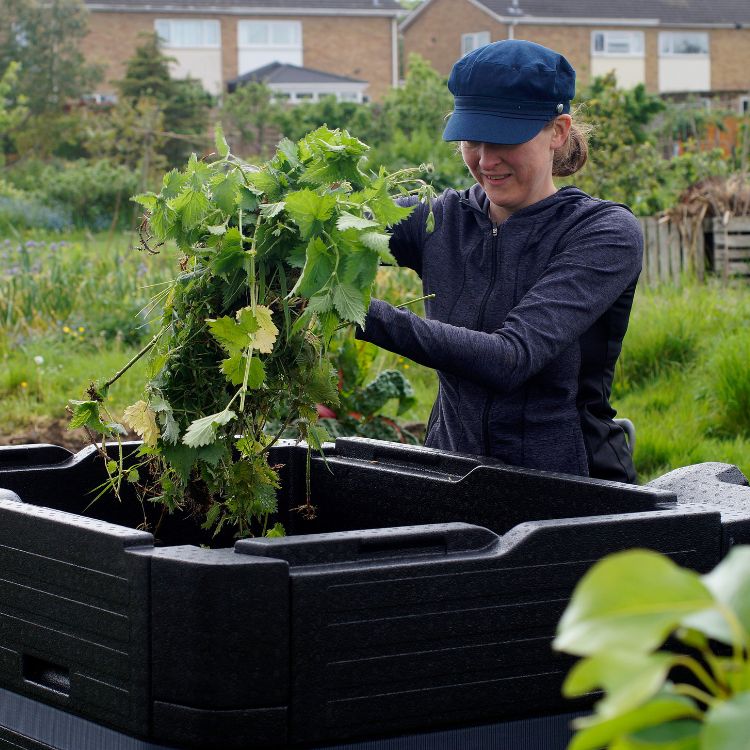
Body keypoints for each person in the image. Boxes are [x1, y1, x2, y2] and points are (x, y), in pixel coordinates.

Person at [357, 39, 642, 482]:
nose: (486, 161)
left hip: (571, 492)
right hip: (453, 478)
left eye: (506, 139)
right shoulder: (439, 218)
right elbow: (331, 226)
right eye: (473, 140)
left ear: (558, 132)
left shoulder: (601, 233)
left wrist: (354, 311)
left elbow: (511, 359)